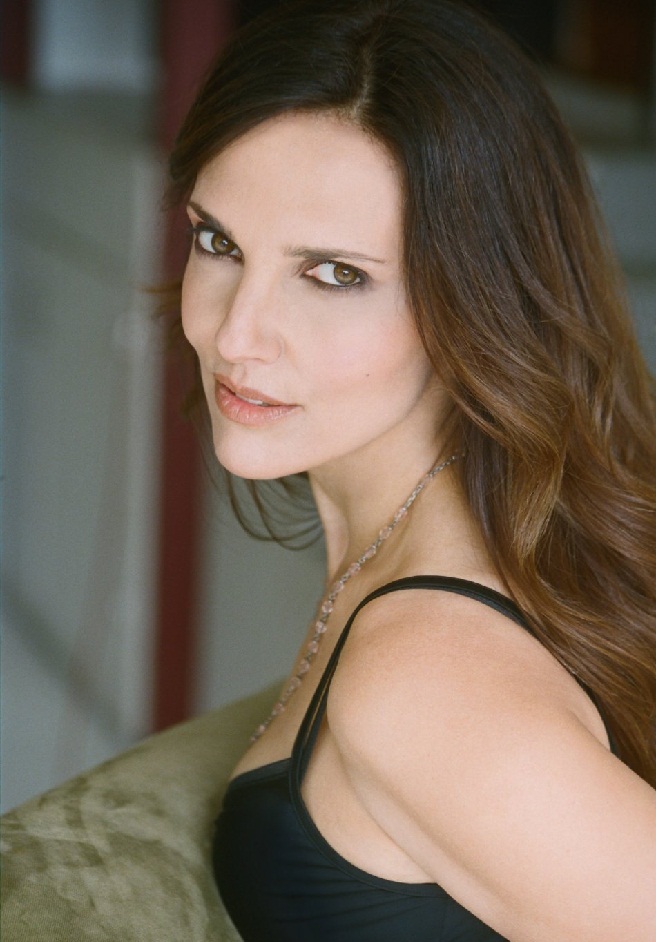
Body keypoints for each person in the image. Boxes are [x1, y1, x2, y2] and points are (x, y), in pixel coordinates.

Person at [168, 0, 656, 939]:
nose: (236, 335)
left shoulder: (424, 681)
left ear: (479, 296)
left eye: (335, 274)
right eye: (219, 242)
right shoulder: (478, 537)